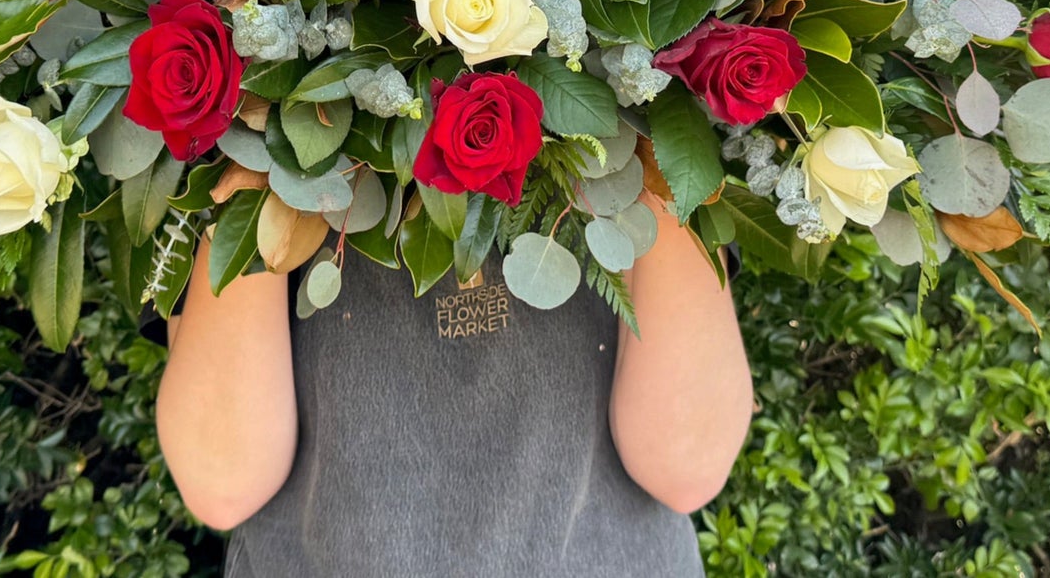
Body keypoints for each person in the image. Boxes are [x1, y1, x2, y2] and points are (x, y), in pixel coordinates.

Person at [155, 184, 754, 576]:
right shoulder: (220, 157)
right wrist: (256, 136)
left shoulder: (651, 136)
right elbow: (224, 482)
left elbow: (686, 464)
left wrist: (654, 105)